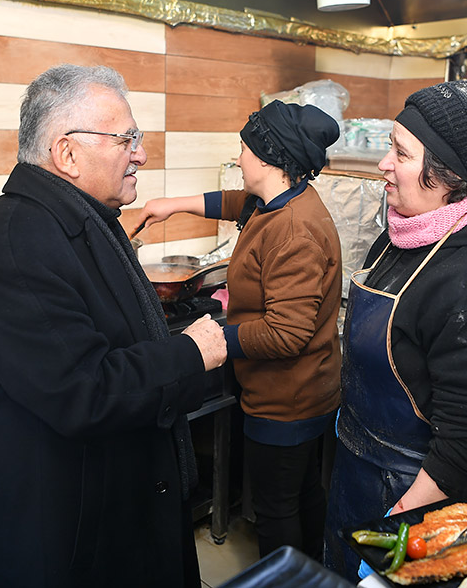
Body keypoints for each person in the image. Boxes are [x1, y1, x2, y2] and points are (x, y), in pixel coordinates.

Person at [0, 64, 227, 587]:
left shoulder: (82, 219)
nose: (140, 154)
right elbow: (84, 391)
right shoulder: (19, 239)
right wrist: (188, 353)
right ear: (68, 154)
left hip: (114, 513)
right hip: (68, 538)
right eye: (127, 139)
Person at [321, 78, 467, 581]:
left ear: (448, 176)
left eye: (400, 153)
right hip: (360, 468)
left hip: (421, 498)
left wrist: (397, 531)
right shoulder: (401, 235)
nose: (384, 164)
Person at [135, 100, 343, 560]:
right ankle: (315, 572)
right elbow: (236, 203)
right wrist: (171, 206)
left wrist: (214, 340)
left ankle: (287, 577)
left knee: (277, 507)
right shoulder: (282, 200)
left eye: (244, 150)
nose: (239, 158)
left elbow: (288, 334)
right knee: (303, 493)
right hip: (303, 390)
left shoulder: (293, 231)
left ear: (268, 159)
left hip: (287, 399)